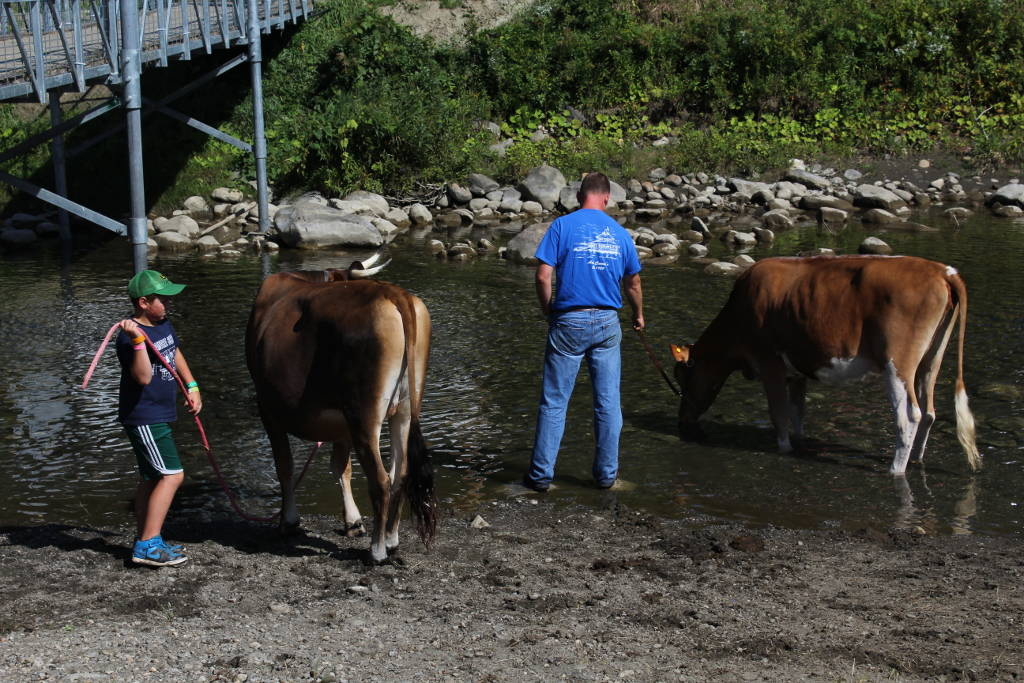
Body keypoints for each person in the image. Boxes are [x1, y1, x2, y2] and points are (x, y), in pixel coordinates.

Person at [523, 172, 644, 492]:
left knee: (554, 402)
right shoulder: (620, 234)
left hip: (568, 321)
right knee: (607, 403)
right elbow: (633, 284)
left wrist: (548, 310)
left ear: (580, 197)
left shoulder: (562, 226)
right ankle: (605, 477)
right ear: (606, 199)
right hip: (606, 323)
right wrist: (639, 315)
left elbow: (542, 277)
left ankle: (540, 478)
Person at [115, 269, 202, 567]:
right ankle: (147, 546)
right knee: (172, 475)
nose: (168, 304)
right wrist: (138, 341)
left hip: (159, 413)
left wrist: (192, 385)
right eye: (162, 299)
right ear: (143, 302)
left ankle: (148, 538)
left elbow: (174, 352)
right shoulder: (129, 340)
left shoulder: (162, 323)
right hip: (144, 416)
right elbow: (143, 376)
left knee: (152, 477)